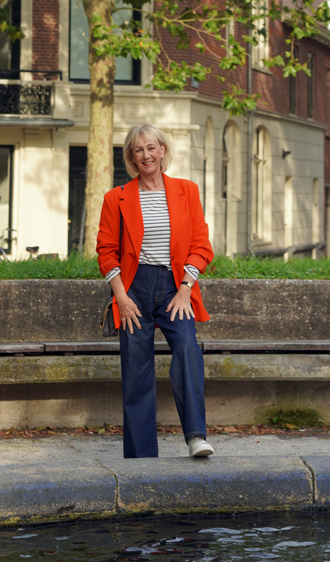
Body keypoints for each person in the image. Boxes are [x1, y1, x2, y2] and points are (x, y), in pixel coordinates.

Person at [96, 123, 214, 459]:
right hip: (134, 289)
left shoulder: (186, 191)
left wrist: (185, 290)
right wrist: (121, 296)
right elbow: (106, 251)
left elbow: (201, 246)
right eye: (138, 150)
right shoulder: (116, 199)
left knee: (188, 349)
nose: (146, 155)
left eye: (151, 147)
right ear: (131, 158)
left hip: (176, 288)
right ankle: (140, 456)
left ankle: (195, 436)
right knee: (136, 372)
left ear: (162, 150)